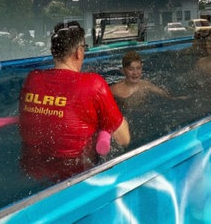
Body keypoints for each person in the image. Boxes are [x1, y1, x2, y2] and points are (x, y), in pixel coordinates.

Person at [18, 21, 130, 182]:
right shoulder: (93, 84)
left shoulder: (32, 79)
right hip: (76, 179)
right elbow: (124, 139)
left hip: (32, 174)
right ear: (79, 52)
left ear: (54, 52)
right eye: (84, 48)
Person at [111, 51, 186, 111]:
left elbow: (166, 96)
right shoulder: (115, 90)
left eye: (138, 68)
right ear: (123, 71)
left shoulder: (146, 85)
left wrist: (179, 99)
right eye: (131, 69)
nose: (135, 73)